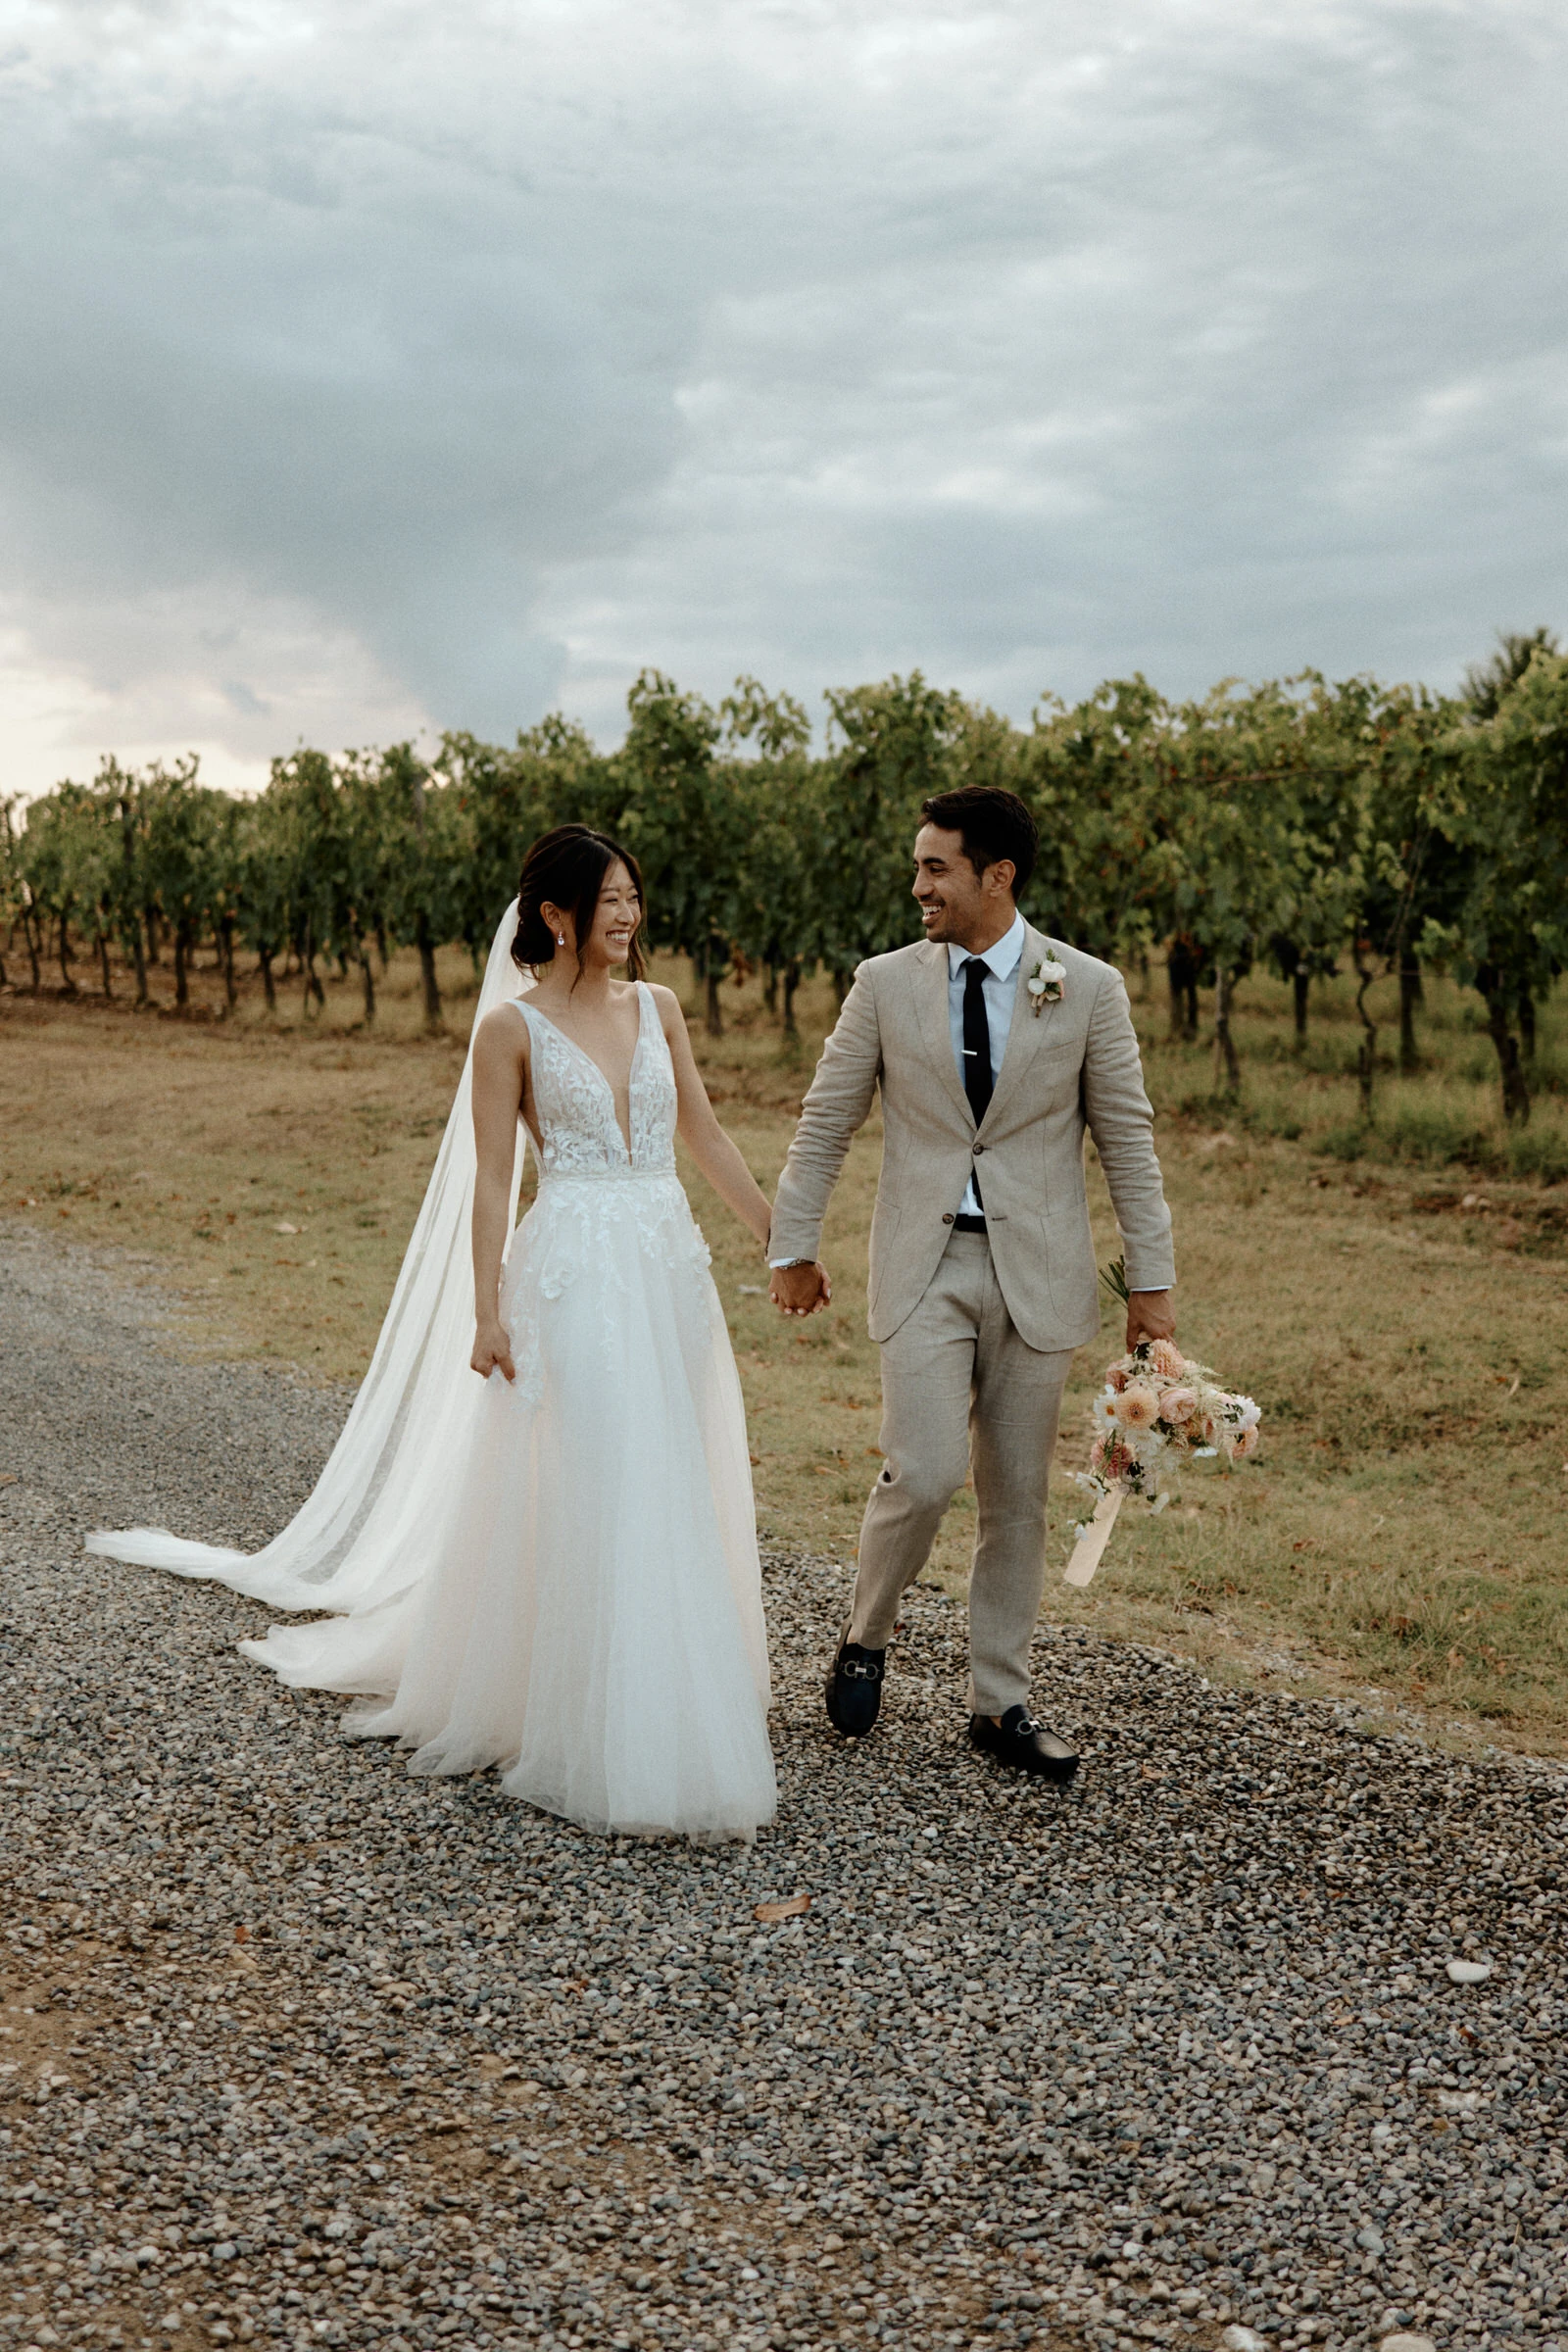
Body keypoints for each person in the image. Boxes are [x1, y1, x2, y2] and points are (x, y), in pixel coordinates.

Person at [88, 826, 778, 1843]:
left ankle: (665, 1691)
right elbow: (494, 1179)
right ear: (555, 917)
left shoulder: (662, 1009)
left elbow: (703, 1134)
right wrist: (486, 1310)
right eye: (611, 901)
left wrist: (779, 1239)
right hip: (576, 1272)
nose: (630, 917)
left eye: (636, 897)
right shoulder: (510, 1029)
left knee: (669, 1469)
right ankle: (595, 1725)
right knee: (605, 1472)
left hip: (667, 1268)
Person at [766, 785, 1176, 1780]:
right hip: (925, 1265)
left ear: (998, 877)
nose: (918, 887)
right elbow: (826, 1123)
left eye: (936, 867)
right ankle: (867, 1634)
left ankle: (1000, 1704)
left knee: (1018, 1497)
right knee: (927, 1469)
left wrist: (1150, 1285)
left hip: (1041, 1272)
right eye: (918, 867)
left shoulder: (1086, 987)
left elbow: (1126, 1139)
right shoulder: (882, 984)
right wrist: (793, 1244)